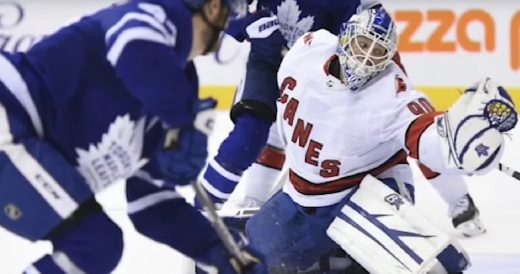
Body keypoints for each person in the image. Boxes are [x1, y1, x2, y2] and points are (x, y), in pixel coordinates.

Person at [0, 0, 266, 273]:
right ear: (212, 8)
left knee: (94, 245)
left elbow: (151, 206)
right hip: (8, 115)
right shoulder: (156, 15)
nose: (227, 25)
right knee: (94, 243)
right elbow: (134, 49)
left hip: (17, 140)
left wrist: (216, 248)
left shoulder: (179, 88)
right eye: (229, 13)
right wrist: (182, 120)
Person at [244, 8, 516, 272]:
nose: (365, 58)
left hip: (366, 188)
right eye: (362, 44)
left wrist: (456, 148)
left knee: (421, 267)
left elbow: (425, 135)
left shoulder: (392, 94)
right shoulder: (307, 50)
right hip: (303, 191)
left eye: (378, 52)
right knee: (254, 256)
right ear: (345, 38)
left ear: (389, 59)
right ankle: (335, 258)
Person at [199, 0, 486, 237]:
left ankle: (458, 199)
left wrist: (405, 108)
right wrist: (250, 23)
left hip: (321, 72)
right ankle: (214, 208)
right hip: (269, 59)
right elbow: (219, 9)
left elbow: (367, 38)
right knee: (255, 129)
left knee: (405, 128)